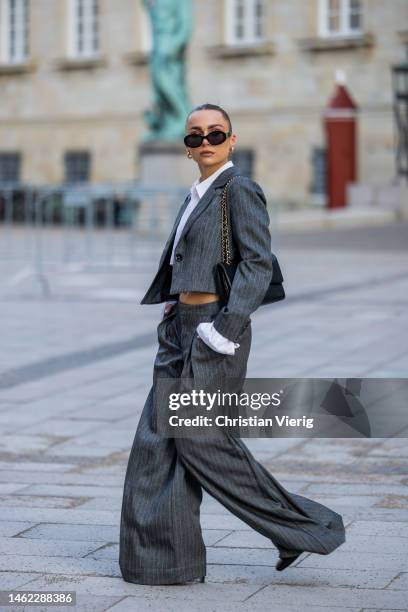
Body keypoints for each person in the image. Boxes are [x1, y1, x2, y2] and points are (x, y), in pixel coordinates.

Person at [119, 103, 346, 585]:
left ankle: (304, 529)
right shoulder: (197, 192)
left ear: (232, 139)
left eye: (214, 134)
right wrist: (174, 302)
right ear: (186, 147)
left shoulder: (238, 188)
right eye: (194, 137)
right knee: (155, 447)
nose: (204, 142)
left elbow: (257, 264)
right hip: (180, 327)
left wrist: (225, 326)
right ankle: (164, 562)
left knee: (202, 442)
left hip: (214, 331)